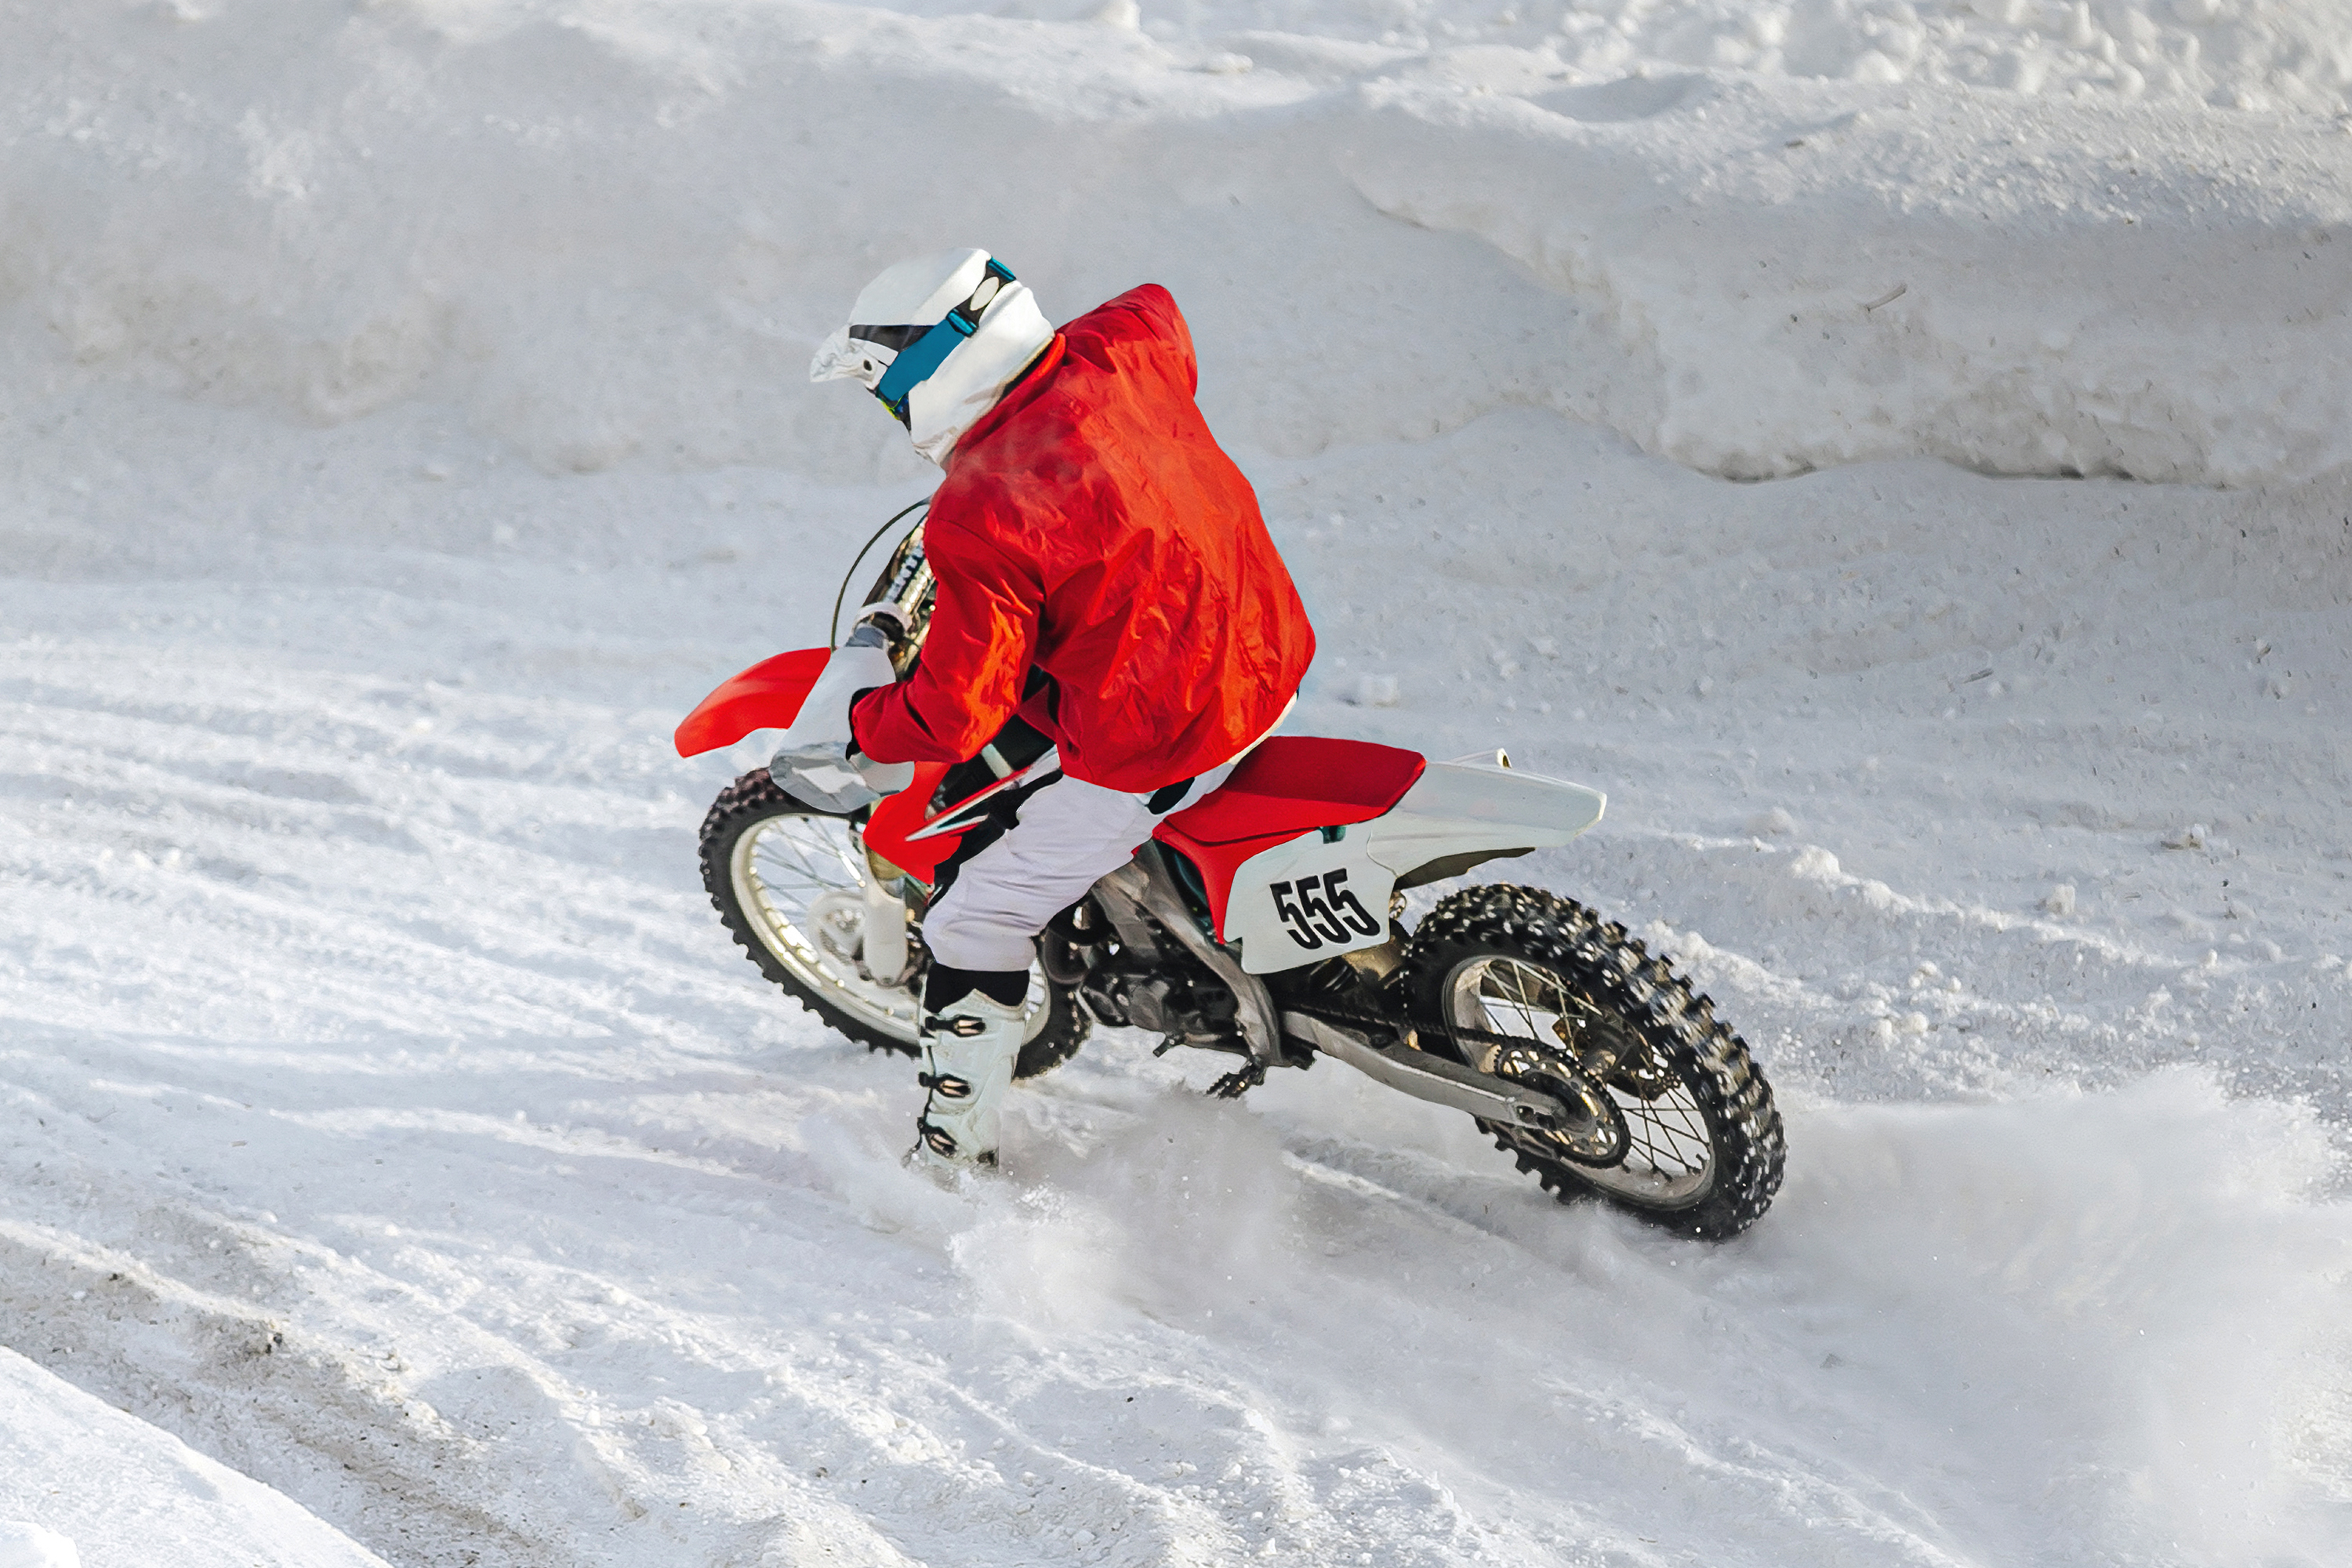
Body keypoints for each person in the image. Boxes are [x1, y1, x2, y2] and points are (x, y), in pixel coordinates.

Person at [771, 249, 1315, 1174]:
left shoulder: (980, 507)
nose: (891, 411)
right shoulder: (1126, 351)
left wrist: (864, 724)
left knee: (968, 922)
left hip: (1167, 736)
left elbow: (952, 714)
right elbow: (1159, 301)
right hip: (1265, 649)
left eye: (884, 390)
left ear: (927, 375)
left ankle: (954, 1154)